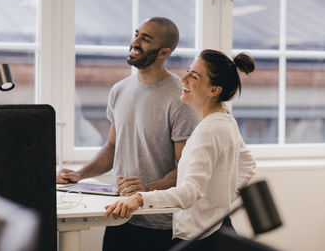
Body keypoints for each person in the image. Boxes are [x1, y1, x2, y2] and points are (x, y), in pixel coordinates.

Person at [56, 17, 199, 251]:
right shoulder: (119, 90)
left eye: (146, 38)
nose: (135, 41)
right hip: (118, 215)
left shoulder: (180, 99)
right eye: (136, 34)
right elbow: (113, 147)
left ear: (164, 52)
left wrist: (147, 189)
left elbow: (186, 169)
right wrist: (79, 174)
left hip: (159, 223)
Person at [104, 49, 257, 248]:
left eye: (193, 76)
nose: (183, 78)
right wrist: (219, 202)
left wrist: (140, 198)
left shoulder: (208, 131)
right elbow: (248, 165)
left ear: (214, 90)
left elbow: (189, 192)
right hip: (215, 228)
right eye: (187, 71)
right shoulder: (225, 119)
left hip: (199, 238)